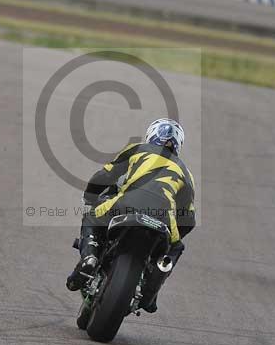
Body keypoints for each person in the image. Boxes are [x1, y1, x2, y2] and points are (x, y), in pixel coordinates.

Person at [66, 118, 196, 313]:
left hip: (126, 203)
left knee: (92, 216)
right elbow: (188, 219)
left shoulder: (138, 149)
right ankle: (151, 290)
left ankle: (90, 257)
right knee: (176, 248)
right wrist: (172, 238)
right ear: (178, 144)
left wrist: (89, 197)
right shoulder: (185, 172)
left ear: (151, 135)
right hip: (163, 217)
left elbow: (104, 176)